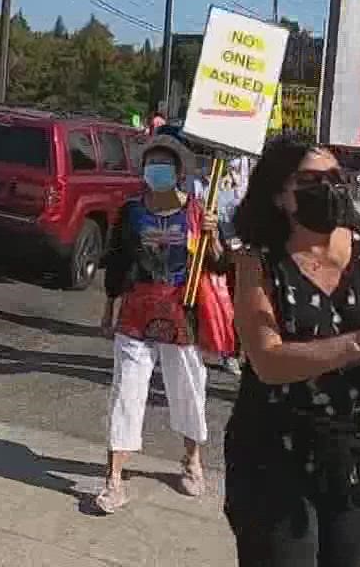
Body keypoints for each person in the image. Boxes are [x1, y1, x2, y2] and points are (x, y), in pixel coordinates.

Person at [224, 133, 360, 567]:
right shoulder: (257, 262)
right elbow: (267, 360)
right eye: (310, 180)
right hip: (275, 448)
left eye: (335, 177)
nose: (328, 188)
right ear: (279, 196)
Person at [95, 136, 217, 512]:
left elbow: (218, 264)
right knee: (127, 391)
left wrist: (213, 238)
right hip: (136, 311)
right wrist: (108, 307)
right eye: (152, 163)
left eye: (164, 164)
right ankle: (114, 478)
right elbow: (115, 261)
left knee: (188, 388)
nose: (156, 171)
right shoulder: (132, 212)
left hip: (182, 310)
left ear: (179, 173)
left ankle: (192, 460)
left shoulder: (198, 212)